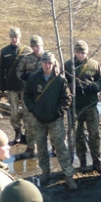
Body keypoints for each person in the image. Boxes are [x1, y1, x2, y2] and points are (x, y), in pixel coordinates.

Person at [24, 51, 78, 190]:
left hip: (55, 120)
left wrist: (58, 112)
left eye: (50, 63)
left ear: (54, 64)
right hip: (38, 119)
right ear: (41, 63)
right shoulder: (34, 78)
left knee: (61, 146)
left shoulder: (60, 80)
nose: (47, 65)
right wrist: (33, 109)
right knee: (41, 147)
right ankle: (45, 172)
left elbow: (67, 99)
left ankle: (68, 174)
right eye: (45, 62)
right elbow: (27, 96)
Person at [65, 40, 101, 173]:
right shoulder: (67, 65)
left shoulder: (94, 65)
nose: (81, 55)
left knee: (94, 134)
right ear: (75, 52)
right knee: (78, 136)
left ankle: (96, 162)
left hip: (91, 105)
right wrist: (71, 87)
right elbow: (62, 84)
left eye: (83, 52)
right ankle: (82, 162)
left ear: (87, 52)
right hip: (75, 107)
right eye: (78, 52)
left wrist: (93, 87)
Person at [15, 35, 46, 160]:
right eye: (33, 46)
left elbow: (56, 73)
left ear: (42, 45)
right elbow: (19, 71)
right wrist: (24, 76)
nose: (35, 49)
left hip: (45, 95)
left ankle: (54, 148)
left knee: (49, 122)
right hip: (29, 94)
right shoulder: (26, 58)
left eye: (37, 46)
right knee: (29, 121)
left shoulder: (49, 58)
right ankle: (31, 148)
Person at [0, 27, 29, 145]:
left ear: (20, 37)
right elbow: (1, 69)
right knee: (14, 112)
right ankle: (18, 132)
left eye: (16, 37)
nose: (14, 39)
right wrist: (1, 85)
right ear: (10, 38)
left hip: (25, 87)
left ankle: (27, 134)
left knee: (27, 111)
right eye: (12, 37)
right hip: (11, 86)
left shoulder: (27, 51)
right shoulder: (4, 51)